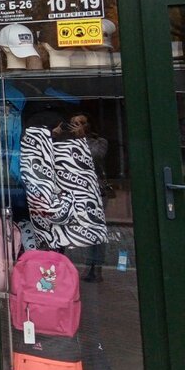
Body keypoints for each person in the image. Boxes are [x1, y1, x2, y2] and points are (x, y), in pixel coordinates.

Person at [68, 112, 109, 282]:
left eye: (80, 123)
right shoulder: (66, 142)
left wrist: (82, 139)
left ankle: (96, 267)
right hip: (73, 190)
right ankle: (79, 266)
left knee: (96, 228)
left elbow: (95, 156)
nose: (76, 126)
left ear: (88, 125)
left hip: (95, 191)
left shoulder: (99, 142)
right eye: (73, 123)